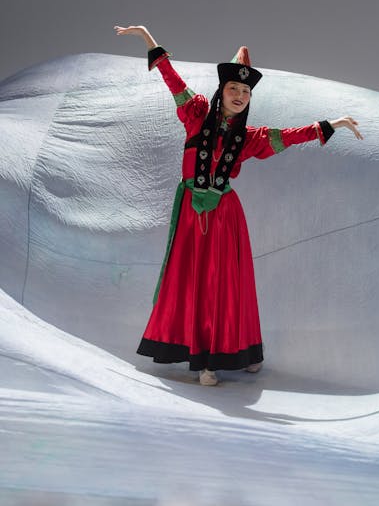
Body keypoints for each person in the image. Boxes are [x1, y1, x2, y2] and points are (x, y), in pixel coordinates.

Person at [114, 24, 363, 386]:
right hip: (191, 214)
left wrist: (332, 124)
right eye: (234, 88)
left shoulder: (248, 139)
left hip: (224, 216)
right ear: (222, 90)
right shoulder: (196, 114)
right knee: (191, 281)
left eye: (246, 91)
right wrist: (148, 39)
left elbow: (290, 136)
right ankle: (200, 355)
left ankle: (232, 354)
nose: (240, 95)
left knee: (226, 285)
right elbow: (173, 82)